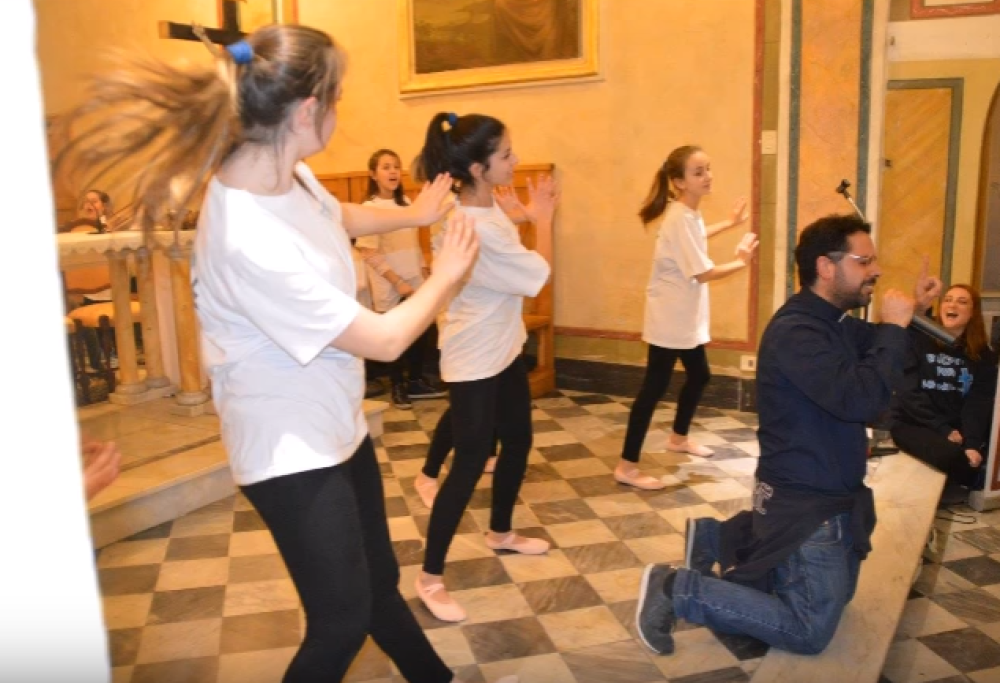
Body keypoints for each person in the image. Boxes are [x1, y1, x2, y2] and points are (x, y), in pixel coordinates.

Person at [55, 23, 521, 683]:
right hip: (286, 450)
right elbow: (387, 338)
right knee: (340, 622)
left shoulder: (284, 171)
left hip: (334, 423)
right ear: (305, 112)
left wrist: (413, 216)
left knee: (377, 587)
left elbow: (337, 216)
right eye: (336, 98)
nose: (338, 111)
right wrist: (445, 276)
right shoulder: (246, 235)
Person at [635, 214, 942, 656]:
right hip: (806, 500)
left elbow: (882, 348)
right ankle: (674, 589)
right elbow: (861, 399)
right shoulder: (798, 333)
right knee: (808, 630)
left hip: (828, 487)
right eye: (864, 261)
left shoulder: (832, 321)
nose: (875, 270)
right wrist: (895, 327)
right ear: (826, 267)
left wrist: (916, 314)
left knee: (838, 599)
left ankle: (714, 538)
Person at [412, 112, 555, 623]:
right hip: (474, 355)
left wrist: (520, 215)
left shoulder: (474, 203)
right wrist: (543, 219)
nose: (516, 160)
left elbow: (501, 249)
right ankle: (429, 578)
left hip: (504, 344)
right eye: (506, 155)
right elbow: (537, 274)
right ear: (477, 167)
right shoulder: (473, 223)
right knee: (470, 463)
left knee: (517, 440)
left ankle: (500, 531)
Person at [616, 146, 758, 490]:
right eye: (698, 172)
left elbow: (696, 236)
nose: (708, 176)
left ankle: (678, 438)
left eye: (708, 169)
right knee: (653, 390)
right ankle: (626, 467)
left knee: (699, 375)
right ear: (679, 182)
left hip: (683, 317)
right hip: (669, 320)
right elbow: (702, 272)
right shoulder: (679, 217)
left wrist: (730, 222)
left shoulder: (687, 214)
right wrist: (741, 261)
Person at [354, 148, 446, 409]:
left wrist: (423, 268)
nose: (393, 171)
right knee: (395, 332)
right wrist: (397, 282)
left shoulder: (406, 203)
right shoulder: (369, 208)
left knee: (421, 329)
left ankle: (415, 380)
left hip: (413, 277)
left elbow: (413, 242)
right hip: (389, 282)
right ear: (373, 175)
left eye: (396, 166)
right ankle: (398, 385)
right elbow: (368, 251)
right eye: (386, 167)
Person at [890, 283, 998, 505]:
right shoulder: (920, 339)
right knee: (948, 454)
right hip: (915, 422)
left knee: (977, 448)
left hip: (955, 427)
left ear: (973, 312)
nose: (952, 305)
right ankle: (968, 476)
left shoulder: (983, 355)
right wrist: (943, 429)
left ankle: (965, 472)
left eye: (962, 301)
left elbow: (978, 404)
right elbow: (908, 393)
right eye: (948, 300)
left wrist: (972, 443)